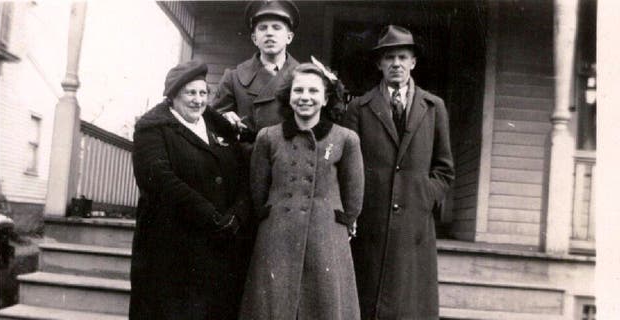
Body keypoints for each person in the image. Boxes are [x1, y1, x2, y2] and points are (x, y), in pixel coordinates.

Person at [342, 25, 455, 319]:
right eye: (389, 57)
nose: (396, 64)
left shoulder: (433, 107)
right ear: (379, 63)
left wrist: (424, 197)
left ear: (413, 62)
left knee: (410, 306)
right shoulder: (359, 108)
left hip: (415, 226)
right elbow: (349, 167)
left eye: (403, 57)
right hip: (371, 223)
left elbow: (444, 169)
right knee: (367, 303)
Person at [240, 63, 364, 320]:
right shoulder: (268, 137)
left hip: (326, 238)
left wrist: (342, 223)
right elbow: (258, 190)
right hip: (277, 237)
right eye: (298, 90)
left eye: (313, 91)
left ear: (326, 98)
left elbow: (354, 196)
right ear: (288, 96)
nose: (305, 97)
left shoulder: (345, 138)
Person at [129, 60, 250, 320]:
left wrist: (237, 214)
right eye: (190, 93)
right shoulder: (152, 129)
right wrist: (211, 215)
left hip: (217, 246)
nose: (198, 100)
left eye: (203, 93)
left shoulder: (217, 126)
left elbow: (242, 172)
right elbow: (160, 181)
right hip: (172, 249)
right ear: (172, 96)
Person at [212, 0, 300, 142]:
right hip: (245, 159)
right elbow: (212, 118)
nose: (269, 33)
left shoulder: (305, 77)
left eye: (277, 27)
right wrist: (225, 117)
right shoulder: (233, 77)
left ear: (289, 37)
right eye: (263, 28)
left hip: (288, 159)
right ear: (254, 38)